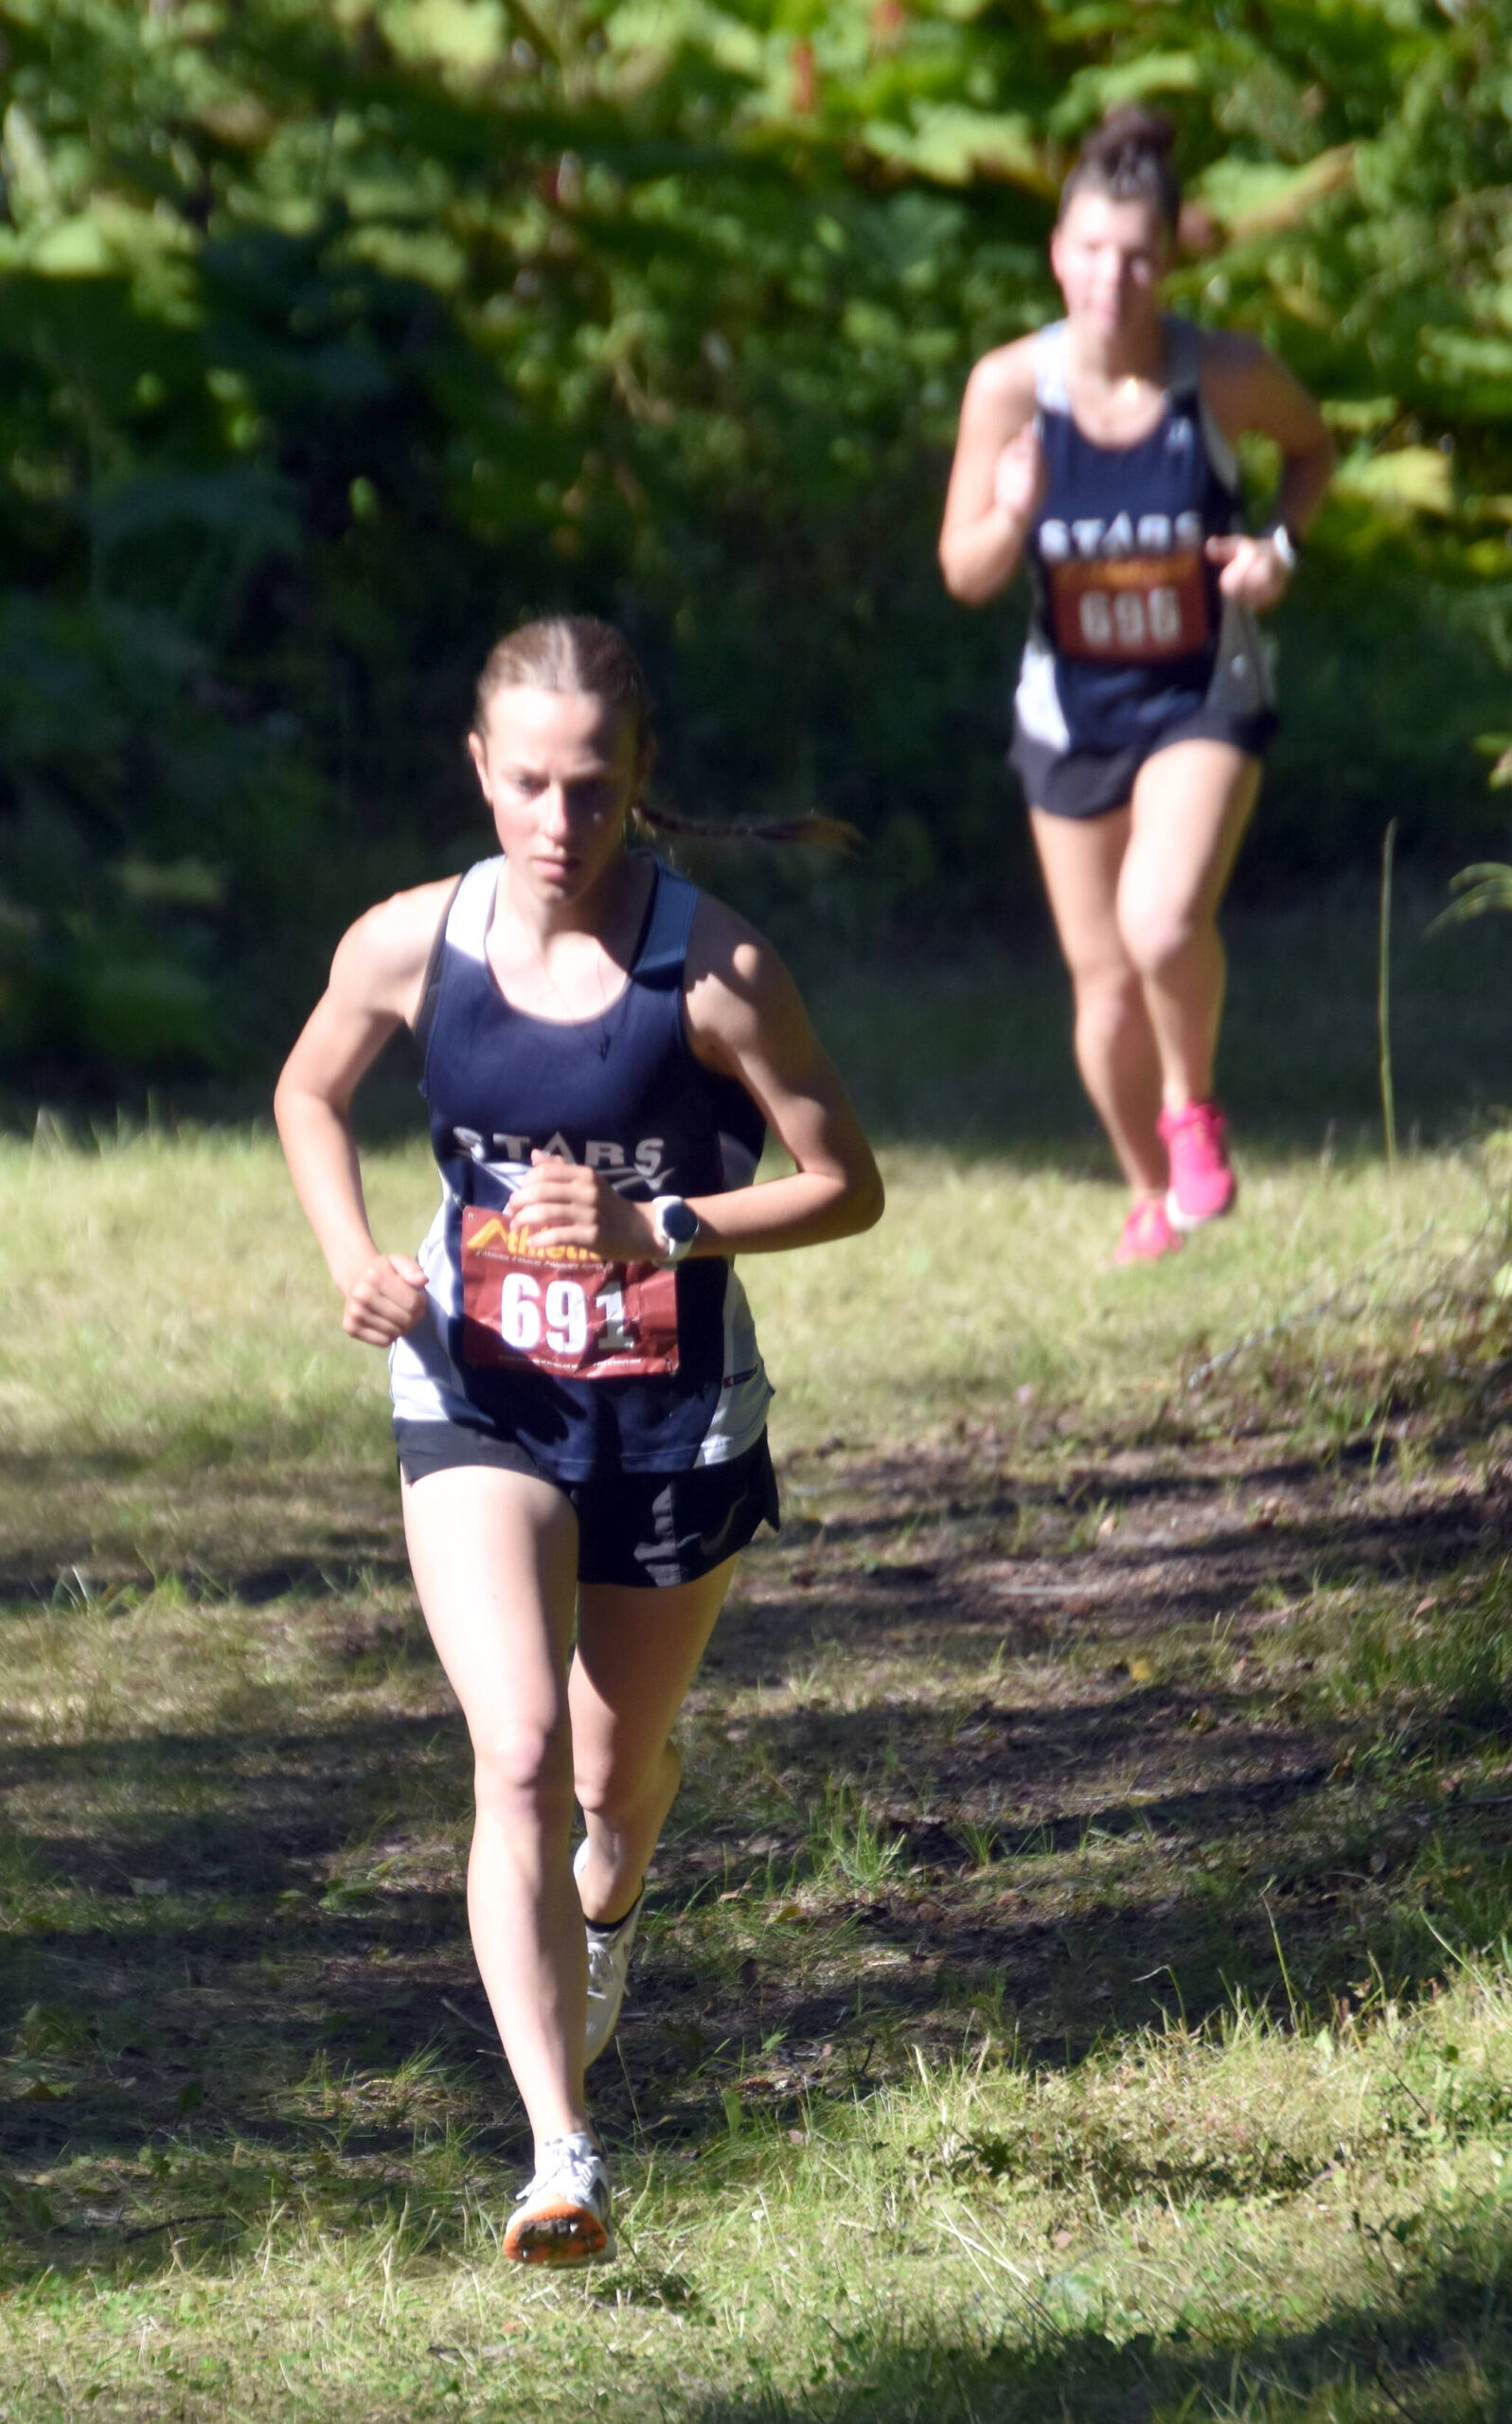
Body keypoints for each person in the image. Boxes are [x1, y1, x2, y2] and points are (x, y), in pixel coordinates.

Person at [274, 616, 883, 2264]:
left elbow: (849, 1184)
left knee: (613, 1779)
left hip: (673, 1423)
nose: (557, 820)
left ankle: (612, 1895)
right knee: (521, 1754)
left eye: (593, 787)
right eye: (528, 783)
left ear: (641, 783)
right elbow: (308, 1092)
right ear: (479, 770)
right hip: (476, 1392)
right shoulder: (413, 941)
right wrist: (354, 1258)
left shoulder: (717, 971)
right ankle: (561, 2154)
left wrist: (659, 1224)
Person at [939, 106, 1333, 1263]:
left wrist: (1279, 551)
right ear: (1058, 253)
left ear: (1169, 260)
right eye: (1091, 250)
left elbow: (1312, 451)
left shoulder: (1221, 373)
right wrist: (1011, 513)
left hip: (1201, 689)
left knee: (1159, 922)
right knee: (1101, 985)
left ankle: (1191, 1108)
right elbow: (963, 573)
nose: (1112, 276)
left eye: (1139, 254)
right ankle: (1154, 1196)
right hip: (1069, 713)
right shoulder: (1011, 389)